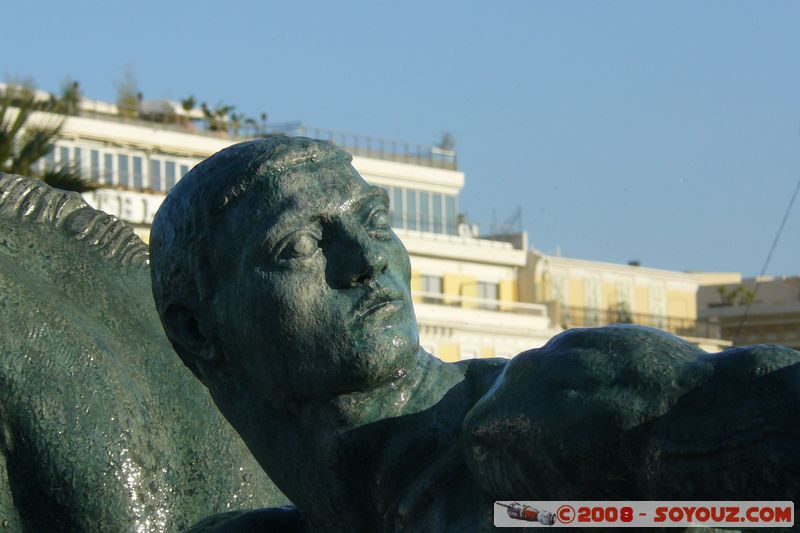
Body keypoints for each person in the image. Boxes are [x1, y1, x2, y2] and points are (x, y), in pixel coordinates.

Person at [150, 137, 800, 532]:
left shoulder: (544, 414)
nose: (367, 259)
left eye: (374, 220)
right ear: (197, 329)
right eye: (298, 245)